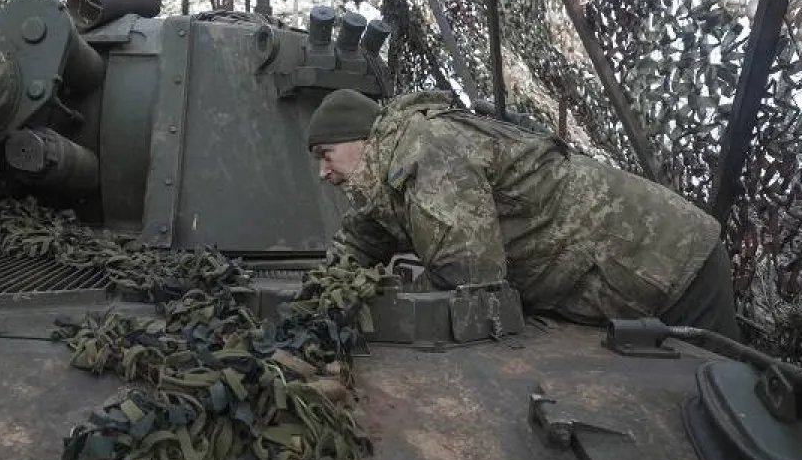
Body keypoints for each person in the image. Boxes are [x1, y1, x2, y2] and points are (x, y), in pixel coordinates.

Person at [307, 88, 740, 339]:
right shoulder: (393, 165)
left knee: (726, 412)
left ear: (362, 139)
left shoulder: (429, 148)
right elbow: (364, 236)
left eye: (326, 155)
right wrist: (320, 294)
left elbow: (470, 274)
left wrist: (383, 303)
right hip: (629, 276)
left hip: (671, 262)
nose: (323, 172)